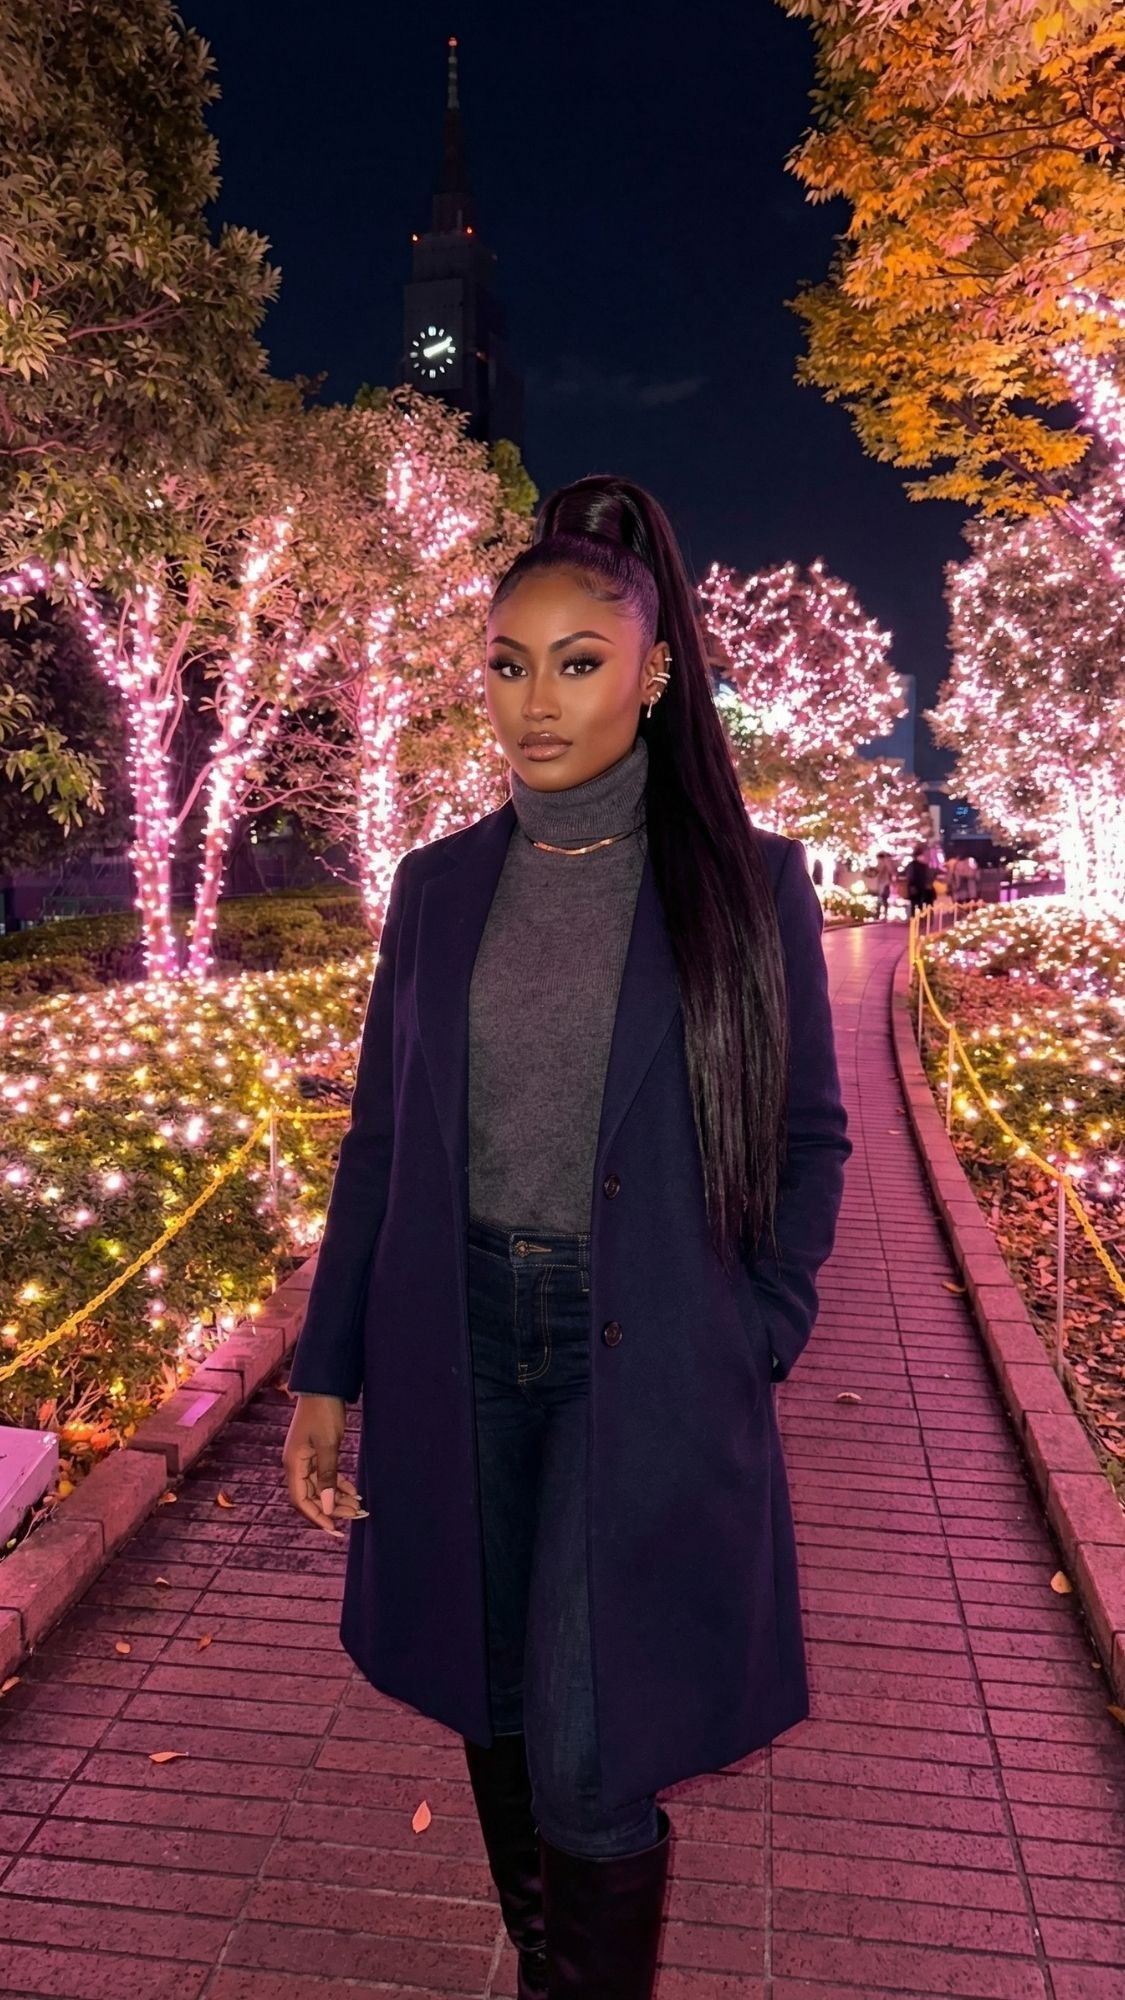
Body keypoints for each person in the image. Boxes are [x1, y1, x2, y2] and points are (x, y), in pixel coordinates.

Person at [282, 475, 852, 1997]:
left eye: (578, 661)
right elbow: (383, 1143)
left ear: (653, 673)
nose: (535, 702)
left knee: (596, 1753)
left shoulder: (744, 885)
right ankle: (550, 1965)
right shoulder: (439, 886)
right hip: (450, 1342)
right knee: (494, 1698)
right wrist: (327, 1374)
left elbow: (808, 1138)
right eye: (507, 662)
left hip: (645, 1350)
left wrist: (760, 1325)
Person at [905, 843, 933, 916]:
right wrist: (912, 886)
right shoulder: (913, 866)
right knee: (915, 905)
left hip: (922, 889)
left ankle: (920, 920)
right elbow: (910, 877)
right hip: (916, 888)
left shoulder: (924, 866)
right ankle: (915, 920)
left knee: (921, 905)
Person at [874, 850, 896, 919]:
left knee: (883, 899)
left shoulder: (887, 864)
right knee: (881, 899)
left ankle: (882, 915)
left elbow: (892, 872)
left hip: (885, 884)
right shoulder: (882, 864)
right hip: (882, 884)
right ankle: (880, 915)